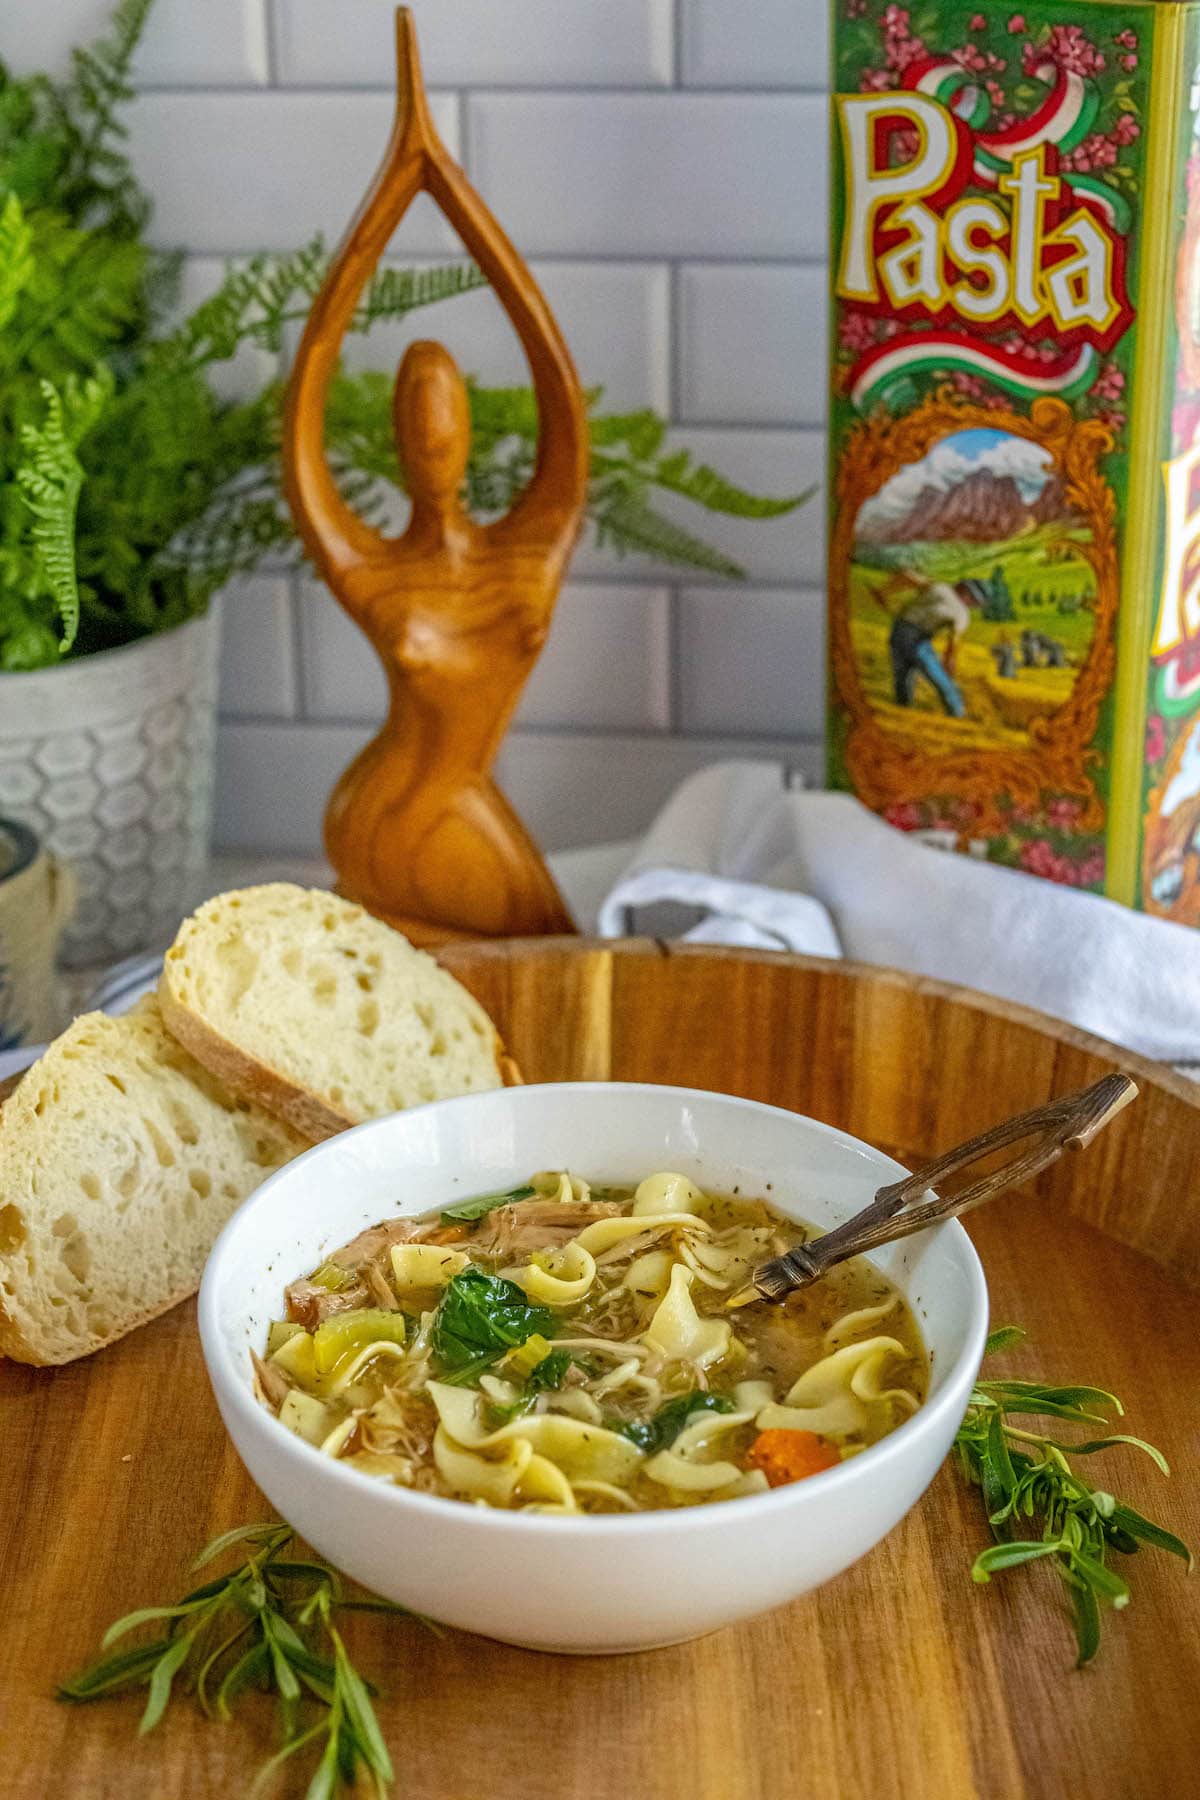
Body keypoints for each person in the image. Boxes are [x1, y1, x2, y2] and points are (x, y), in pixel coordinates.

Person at [884, 572, 972, 717]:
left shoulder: (939, 587)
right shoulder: (961, 612)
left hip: (899, 631)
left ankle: (902, 711)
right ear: (969, 597)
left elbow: (906, 574)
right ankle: (957, 713)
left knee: (903, 677)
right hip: (917, 638)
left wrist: (885, 591)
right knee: (940, 678)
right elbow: (954, 638)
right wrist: (949, 658)